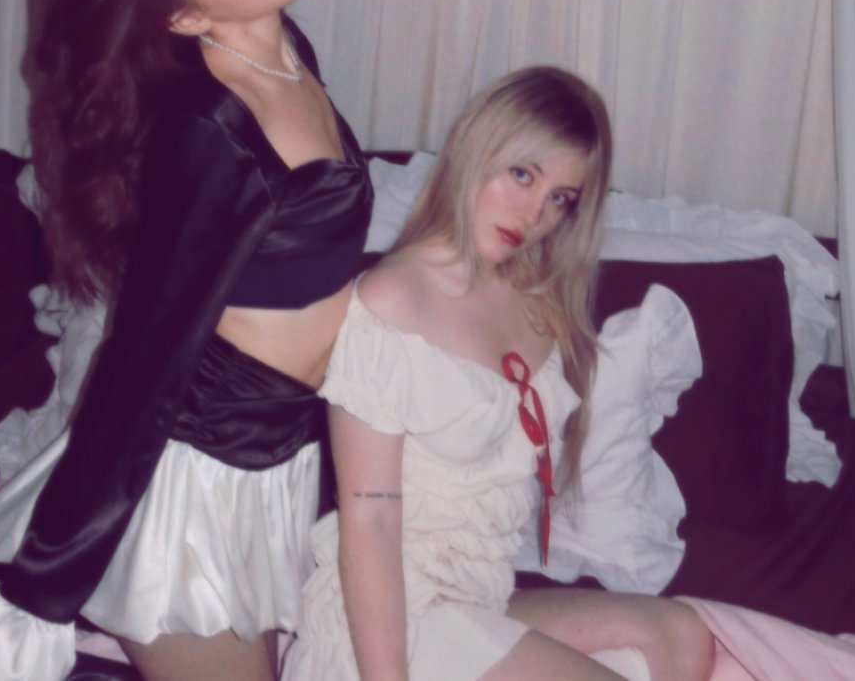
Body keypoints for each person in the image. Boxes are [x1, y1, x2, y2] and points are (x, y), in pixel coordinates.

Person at [0, 0, 374, 680]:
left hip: (269, 464)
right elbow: (139, 369)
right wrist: (40, 592)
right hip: (187, 495)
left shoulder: (289, 52)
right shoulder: (214, 135)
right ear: (185, 17)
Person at [281, 67, 716, 680]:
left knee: (682, 634)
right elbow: (370, 524)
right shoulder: (390, 302)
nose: (534, 213)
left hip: (478, 599)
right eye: (522, 175)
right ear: (475, 151)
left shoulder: (536, 302)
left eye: (560, 197)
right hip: (395, 613)